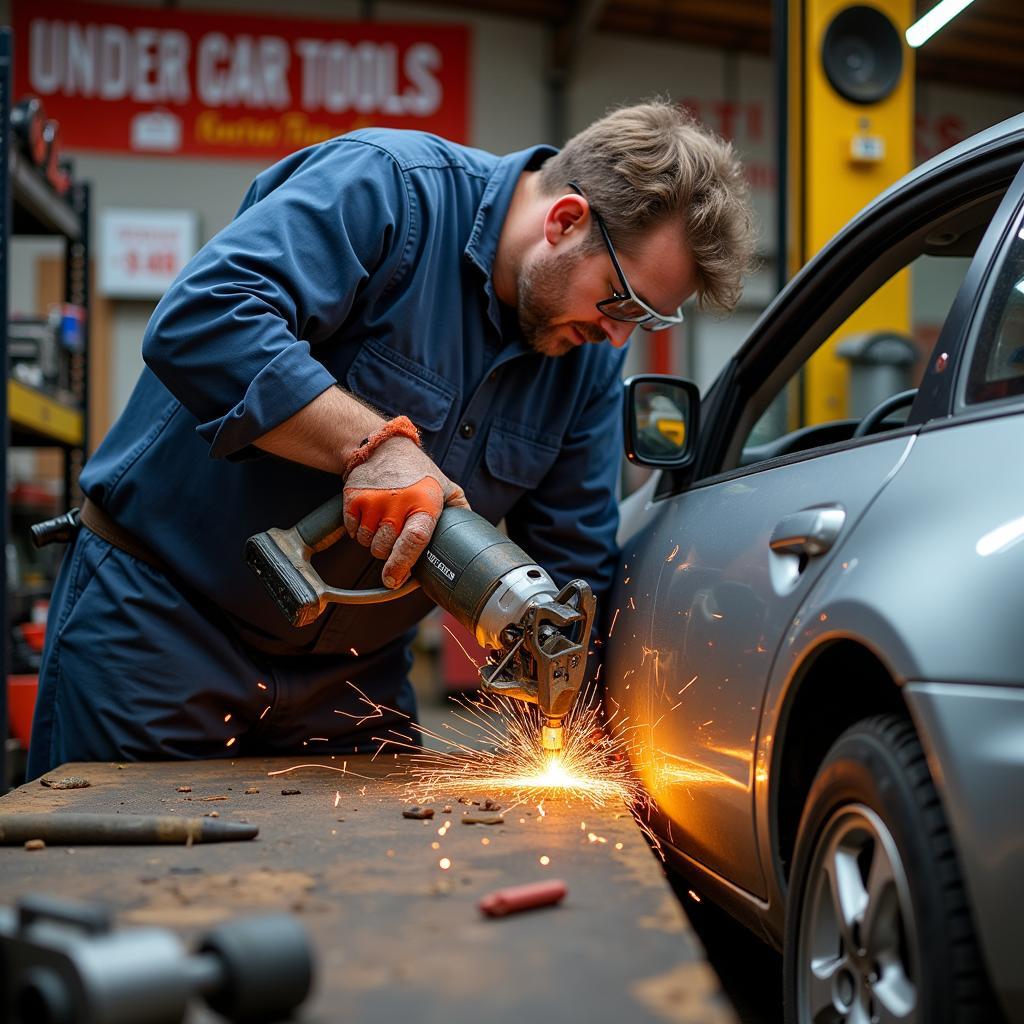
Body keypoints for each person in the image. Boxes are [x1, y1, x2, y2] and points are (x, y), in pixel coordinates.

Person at [27, 100, 755, 777]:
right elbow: (204, 322)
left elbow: (573, 558)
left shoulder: (587, 354)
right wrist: (376, 444)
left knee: (371, 896)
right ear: (564, 220)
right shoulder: (391, 189)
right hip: (160, 632)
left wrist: (569, 723)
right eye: (620, 299)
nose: (618, 334)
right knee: (120, 893)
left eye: (648, 320)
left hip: (352, 677)